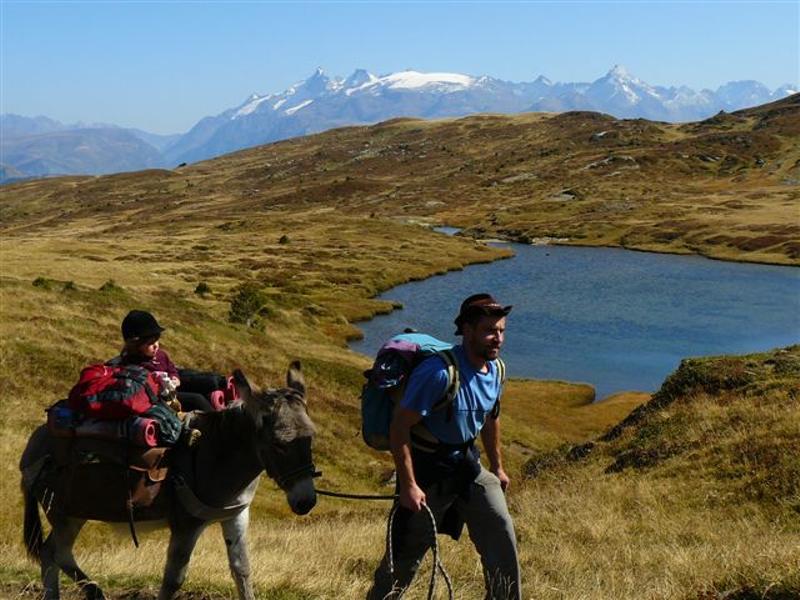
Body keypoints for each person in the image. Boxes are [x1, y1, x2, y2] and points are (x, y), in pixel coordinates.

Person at [367, 293, 521, 600]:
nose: (498, 338)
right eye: (490, 331)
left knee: (501, 534)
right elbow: (400, 428)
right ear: (467, 330)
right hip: (428, 473)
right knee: (403, 558)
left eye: (502, 331)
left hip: (467, 466)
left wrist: (498, 468)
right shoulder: (438, 373)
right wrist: (409, 486)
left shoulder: (498, 370)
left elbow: (491, 418)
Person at [108, 310, 213, 412]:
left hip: (171, 390)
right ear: (135, 346)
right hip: (159, 399)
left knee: (206, 389)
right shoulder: (133, 365)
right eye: (150, 343)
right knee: (197, 400)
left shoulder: (161, 355)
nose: (156, 345)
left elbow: (171, 368)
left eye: (156, 340)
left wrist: (174, 378)